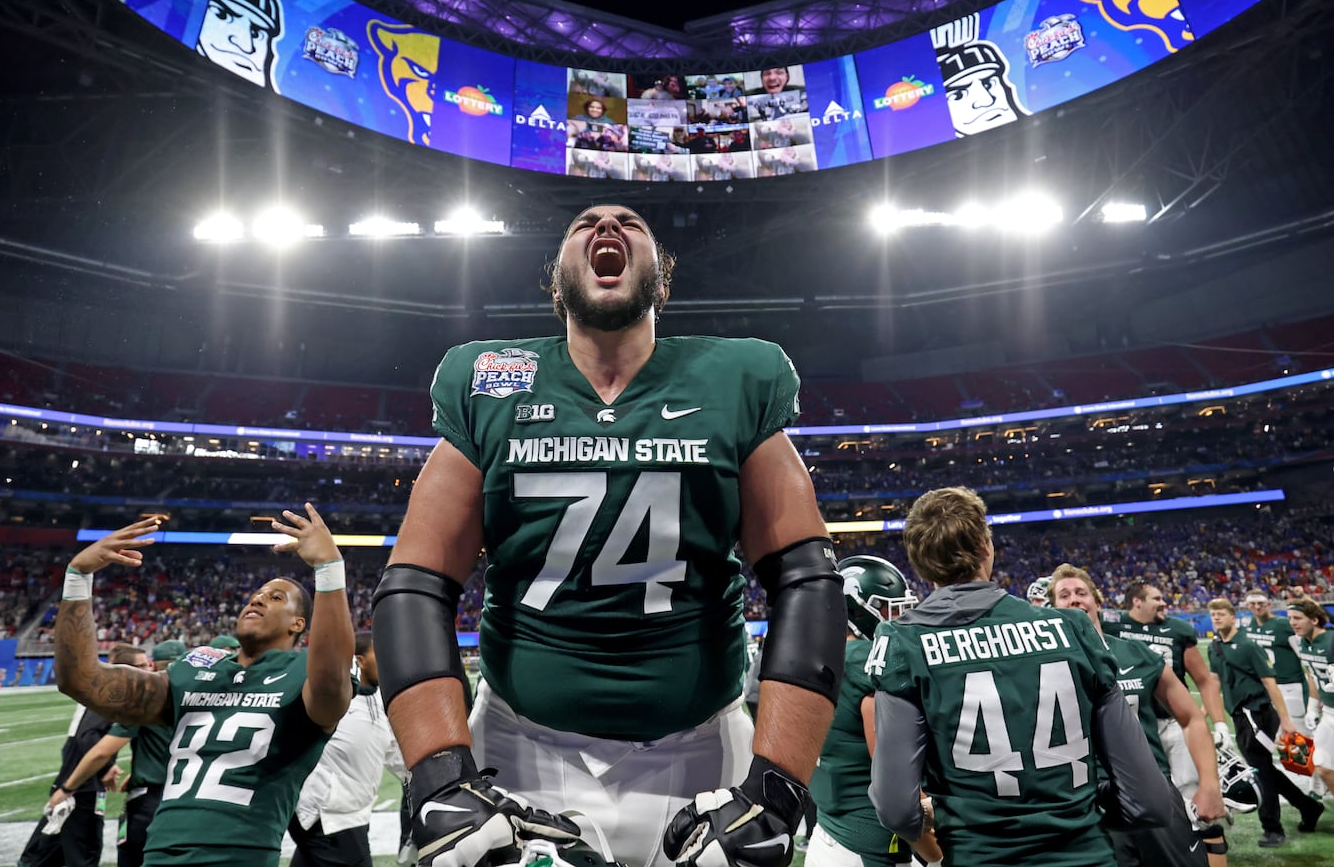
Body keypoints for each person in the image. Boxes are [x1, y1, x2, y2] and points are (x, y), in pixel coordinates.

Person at [372, 203, 844, 867]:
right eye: (583, 224)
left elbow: (806, 582)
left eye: (632, 223)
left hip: (701, 752)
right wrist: (440, 776)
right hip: (516, 750)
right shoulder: (487, 379)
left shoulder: (737, 376)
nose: (606, 228)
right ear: (556, 280)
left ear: (661, 279)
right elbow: (414, 587)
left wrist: (776, 787)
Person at [867, 486, 1178, 866]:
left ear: (919, 563)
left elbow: (896, 808)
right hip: (1084, 854)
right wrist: (1076, 812)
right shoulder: (1074, 628)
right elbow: (1150, 799)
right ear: (986, 546)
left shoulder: (904, 642)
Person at [52, 506, 355, 867]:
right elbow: (81, 680)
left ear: (298, 624)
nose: (258, 599)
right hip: (157, 854)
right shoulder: (193, 672)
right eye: (256, 595)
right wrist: (78, 576)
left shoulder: (304, 674)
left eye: (276, 598)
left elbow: (331, 678)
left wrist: (329, 570)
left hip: (238, 857)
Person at [1049, 564, 1226, 867]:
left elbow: (1191, 717)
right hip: (1084, 798)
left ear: (1098, 602)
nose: (1074, 600)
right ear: (1052, 609)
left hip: (1152, 789)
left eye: (1081, 592)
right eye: (1064, 595)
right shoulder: (1043, 665)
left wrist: (1209, 783)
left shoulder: (1136, 654)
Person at [807, 555, 939, 867]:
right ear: (853, 608)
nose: (897, 618)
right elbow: (895, 792)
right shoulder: (869, 664)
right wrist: (938, 857)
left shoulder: (825, 656)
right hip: (870, 848)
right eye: (886, 608)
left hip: (829, 836)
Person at [41, 641, 187, 867]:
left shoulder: (147, 698)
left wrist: (67, 788)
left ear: (154, 664)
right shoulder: (200, 698)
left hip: (150, 801)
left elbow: (101, 751)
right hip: (189, 798)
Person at [1206, 596, 1324, 847]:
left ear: (1233, 616)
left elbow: (1270, 683)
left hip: (1257, 713)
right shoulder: (1214, 646)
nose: (1217, 618)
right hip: (1239, 715)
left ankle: (1273, 828)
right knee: (1265, 770)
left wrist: (1285, 720)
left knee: (1259, 772)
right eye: (1213, 614)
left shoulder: (1248, 645)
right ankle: (1308, 807)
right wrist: (1207, 712)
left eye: (1221, 614)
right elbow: (1213, 682)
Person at [22, 644, 153, 867]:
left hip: (79, 784)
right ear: (125, 670)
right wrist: (105, 766)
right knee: (81, 855)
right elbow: (87, 736)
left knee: (42, 855)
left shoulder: (107, 692)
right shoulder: (113, 694)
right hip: (82, 788)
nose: (148, 670)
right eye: (141, 666)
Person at [1103, 581, 1231, 808]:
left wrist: (1220, 724)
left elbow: (1204, 680)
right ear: (1137, 601)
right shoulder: (1112, 626)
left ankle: (1196, 838)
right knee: (1142, 794)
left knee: (1188, 789)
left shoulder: (1178, 631)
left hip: (1174, 721)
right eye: (1157, 599)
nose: (1164, 603)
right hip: (1136, 725)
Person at [290, 631, 406, 867]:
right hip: (329, 818)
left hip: (351, 816)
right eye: (379, 654)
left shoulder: (380, 700)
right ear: (358, 660)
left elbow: (396, 754)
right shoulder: (332, 699)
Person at [1287, 597, 1334, 796]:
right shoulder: (1304, 643)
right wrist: (1312, 708)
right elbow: (1312, 676)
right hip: (1329, 714)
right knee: (1322, 766)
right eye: (1290, 618)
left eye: (1298, 618)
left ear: (1314, 620)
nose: (1293, 623)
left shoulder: (1331, 640)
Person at [1242, 589, 1309, 721]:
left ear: (1268, 604)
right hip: (1265, 686)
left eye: (1260, 603)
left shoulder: (1283, 624)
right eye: (1253, 603)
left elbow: (1305, 650)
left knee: (1299, 731)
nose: (1257, 606)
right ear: (1247, 605)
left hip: (1289, 684)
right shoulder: (1249, 624)